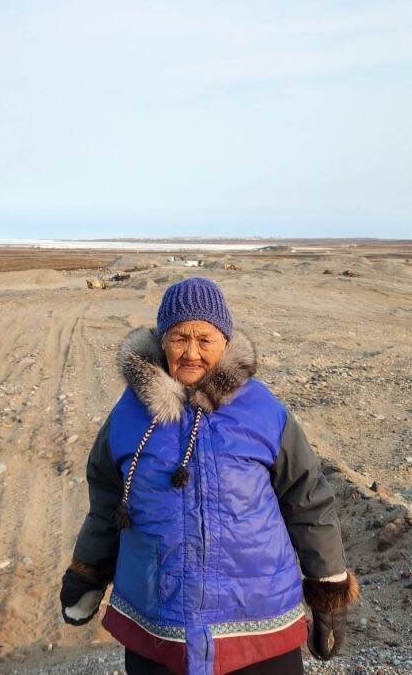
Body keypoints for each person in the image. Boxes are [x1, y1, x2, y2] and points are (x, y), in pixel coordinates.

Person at [60, 276, 359, 675]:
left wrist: (327, 586)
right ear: (162, 340)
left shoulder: (263, 411)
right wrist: (88, 572)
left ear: (226, 341)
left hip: (258, 621)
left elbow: (307, 500)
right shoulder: (129, 415)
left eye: (205, 339)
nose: (191, 353)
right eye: (180, 338)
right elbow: (108, 505)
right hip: (159, 622)